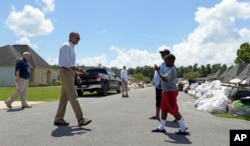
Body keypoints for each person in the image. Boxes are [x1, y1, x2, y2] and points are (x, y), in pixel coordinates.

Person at [54, 32, 92, 127]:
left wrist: (76, 75)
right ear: (71, 37)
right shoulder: (66, 46)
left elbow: (71, 64)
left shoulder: (71, 47)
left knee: (64, 97)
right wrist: (80, 70)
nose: (78, 39)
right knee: (73, 95)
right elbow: (67, 63)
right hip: (65, 71)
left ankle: (58, 118)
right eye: (77, 37)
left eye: (79, 38)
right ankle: (81, 119)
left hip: (69, 72)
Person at [152, 54, 188, 134]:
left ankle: (183, 127)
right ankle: (161, 127)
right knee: (164, 109)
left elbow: (165, 79)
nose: (164, 63)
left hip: (170, 92)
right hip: (166, 91)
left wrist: (158, 70)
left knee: (173, 109)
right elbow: (164, 78)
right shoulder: (169, 69)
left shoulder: (172, 70)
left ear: (170, 61)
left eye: (165, 61)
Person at [149, 49, 170, 120]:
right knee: (158, 100)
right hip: (158, 85)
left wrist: (161, 83)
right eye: (161, 54)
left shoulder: (167, 64)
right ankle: (157, 115)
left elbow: (164, 75)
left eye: (163, 54)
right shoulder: (163, 63)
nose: (162, 55)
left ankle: (178, 117)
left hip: (162, 86)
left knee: (166, 102)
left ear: (168, 55)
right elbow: (159, 72)